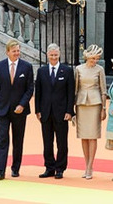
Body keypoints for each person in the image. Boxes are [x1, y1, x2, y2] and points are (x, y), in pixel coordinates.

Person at [0, 39, 34, 180]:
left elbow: (30, 89)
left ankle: (15, 168)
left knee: (18, 140)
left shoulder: (27, 67)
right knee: (2, 138)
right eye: (14, 51)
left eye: (18, 51)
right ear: (7, 52)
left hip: (20, 110)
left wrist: (22, 104)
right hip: (2, 108)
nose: (17, 53)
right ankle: (1, 170)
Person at [34, 43, 74, 179]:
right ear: (47, 55)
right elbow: (38, 92)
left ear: (59, 55)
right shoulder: (41, 71)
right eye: (51, 55)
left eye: (56, 55)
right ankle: (49, 167)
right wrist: (37, 110)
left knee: (62, 142)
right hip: (45, 112)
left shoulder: (67, 71)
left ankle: (60, 168)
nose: (53, 57)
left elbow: (70, 93)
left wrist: (70, 111)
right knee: (47, 141)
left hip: (62, 113)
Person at [75, 43, 108, 179]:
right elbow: (75, 88)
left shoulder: (100, 69)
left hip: (95, 104)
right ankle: (86, 164)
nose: (95, 61)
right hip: (81, 103)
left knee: (93, 135)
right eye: (93, 58)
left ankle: (90, 166)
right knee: (83, 135)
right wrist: (72, 108)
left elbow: (103, 90)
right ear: (87, 57)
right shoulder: (78, 69)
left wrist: (104, 108)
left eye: (97, 58)